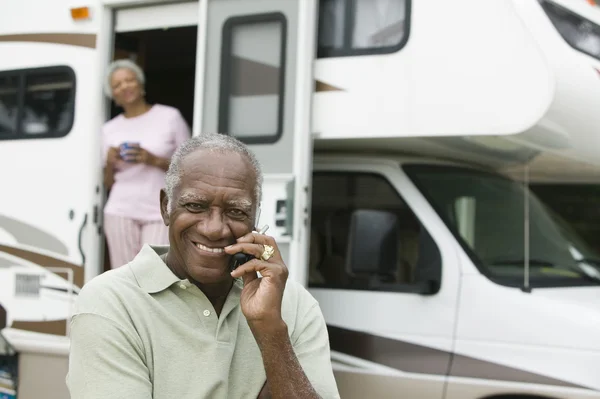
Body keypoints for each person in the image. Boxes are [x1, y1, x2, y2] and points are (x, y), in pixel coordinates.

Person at [66, 133, 341, 399]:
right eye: (195, 205)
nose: (214, 229)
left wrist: (271, 333)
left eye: (236, 211)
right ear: (165, 207)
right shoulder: (110, 303)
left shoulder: (294, 304)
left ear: (255, 218)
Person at [101, 59, 191, 269]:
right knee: (124, 275)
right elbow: (107, 183)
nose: (124, 87)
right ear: (113, 94)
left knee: (156, 270)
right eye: (117, 85)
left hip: (160, 209)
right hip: (120, 210)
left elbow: (188, 168)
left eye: (129, 80)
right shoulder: (109, 129)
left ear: (140, 84)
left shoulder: (169, 116)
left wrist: (152, 160)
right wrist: (109, 162)